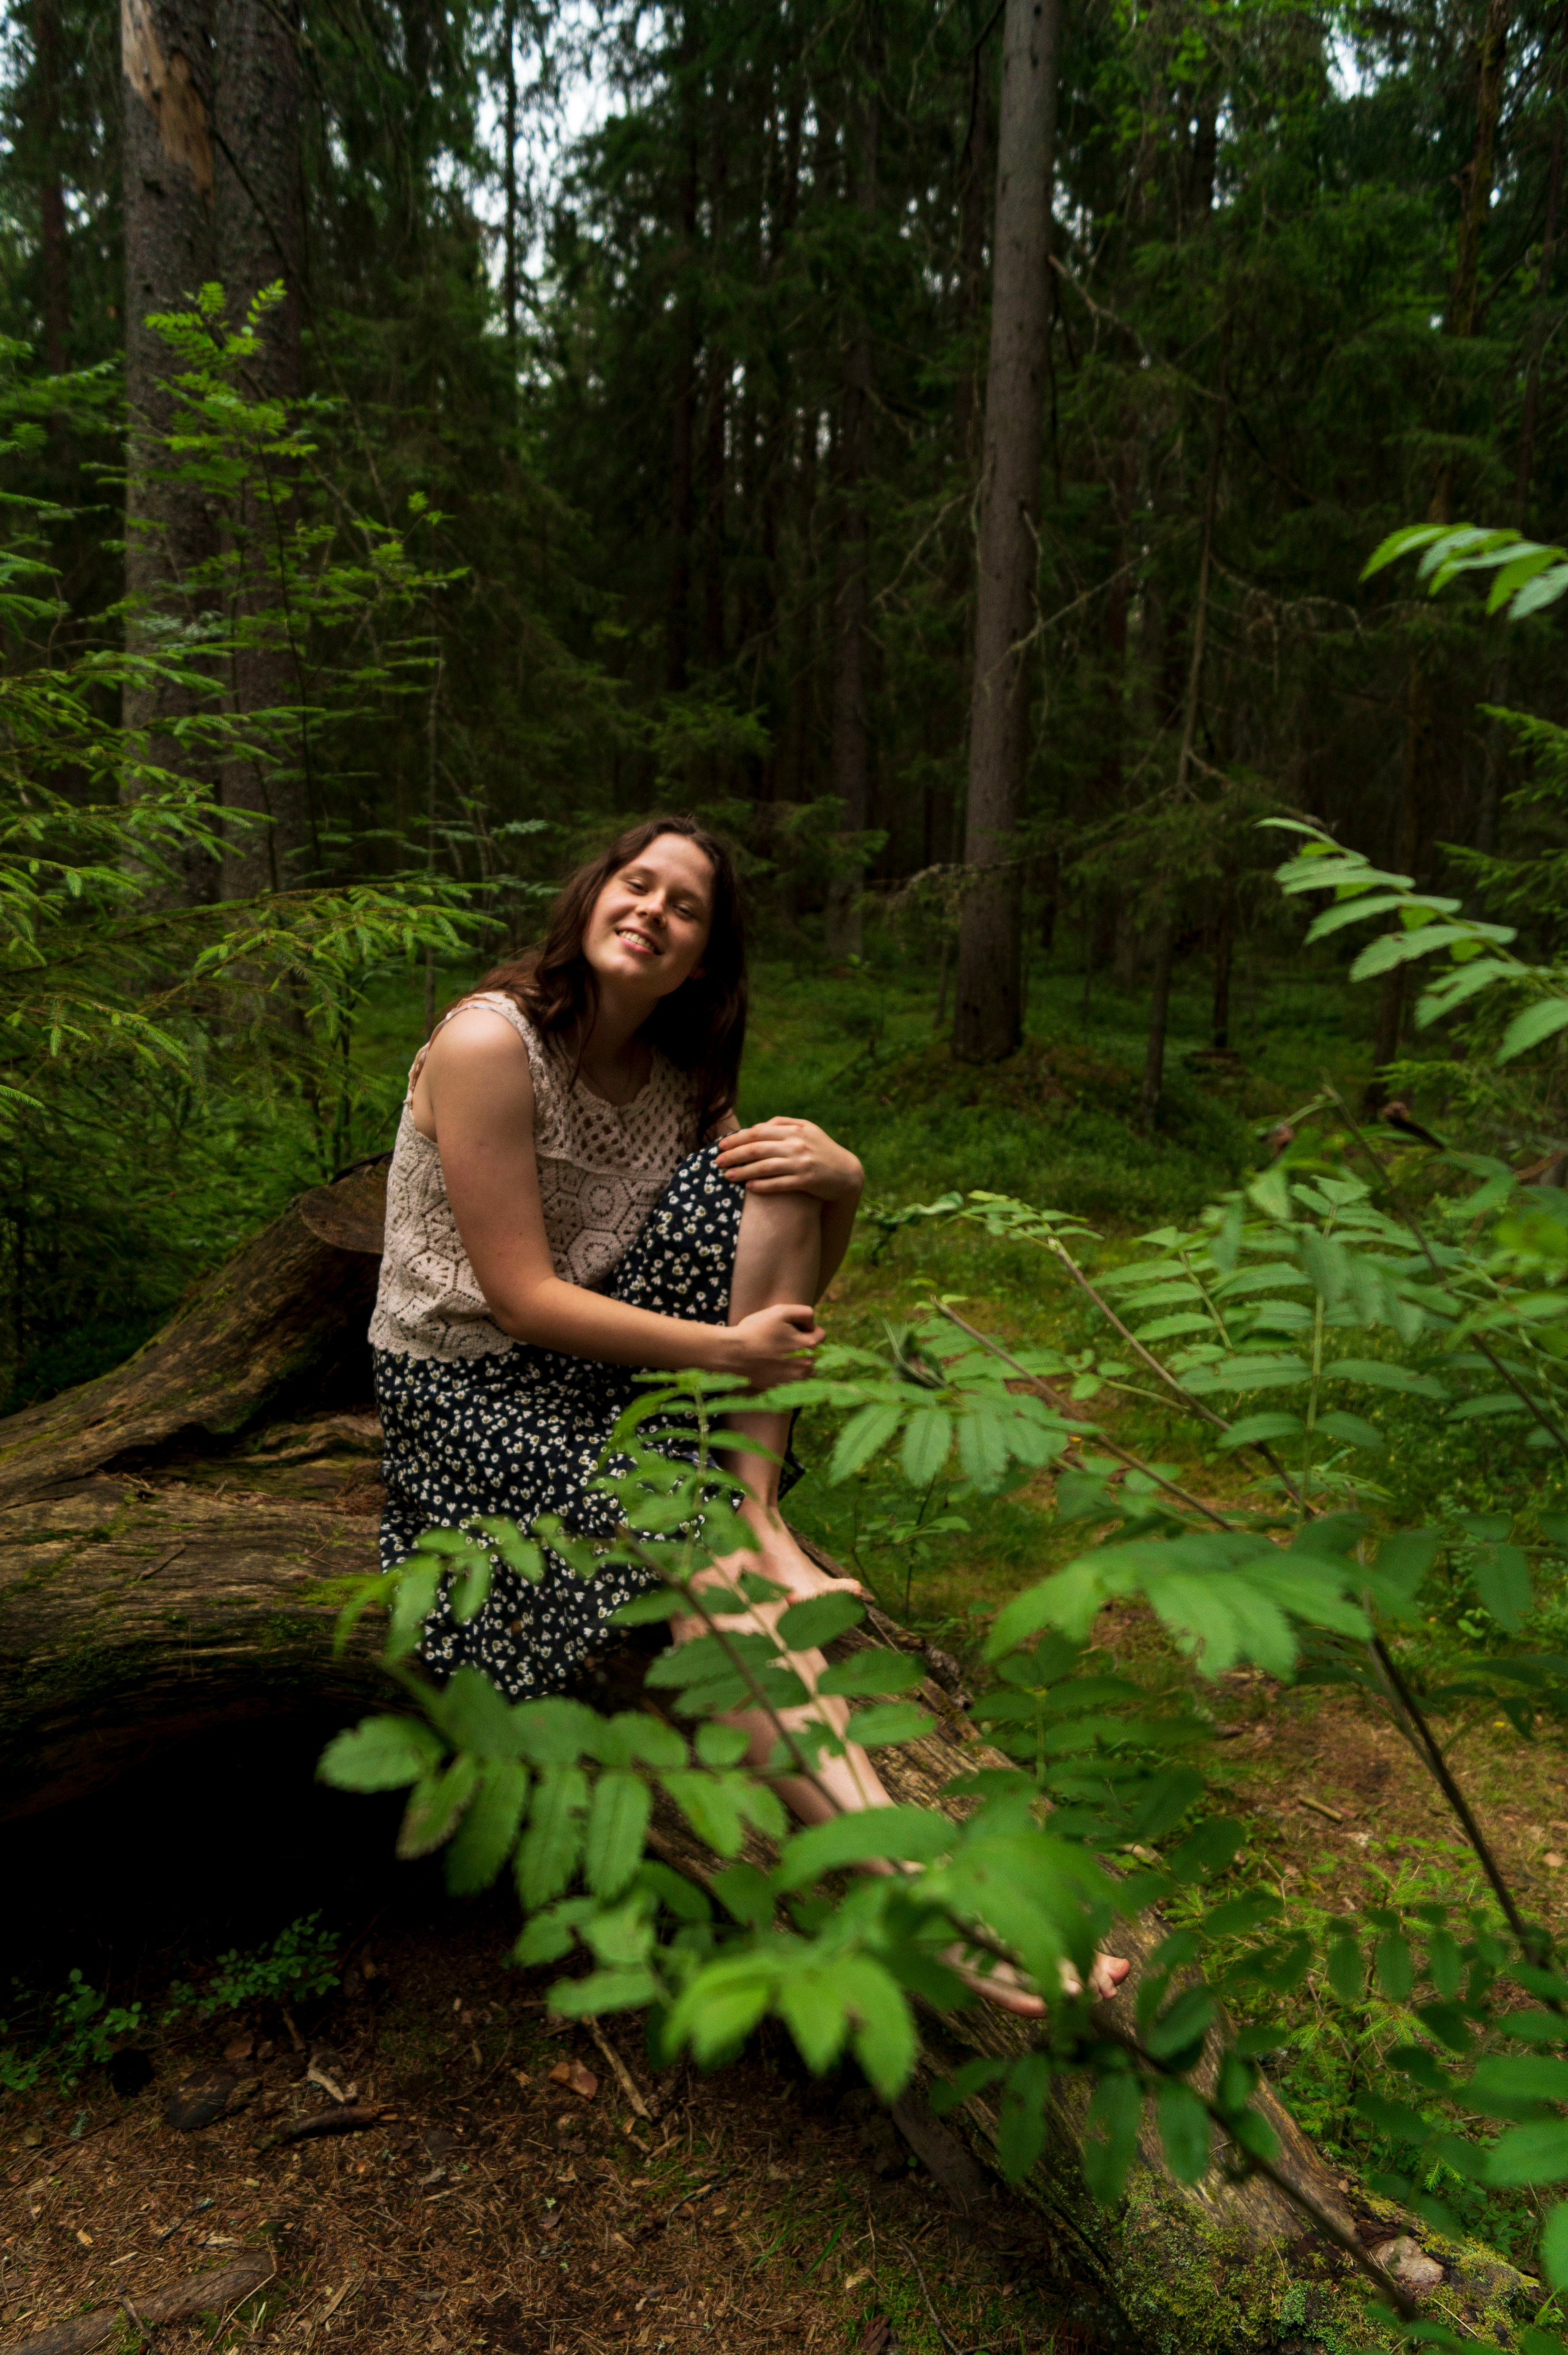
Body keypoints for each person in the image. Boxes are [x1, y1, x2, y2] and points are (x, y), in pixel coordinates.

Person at [370, 814, 1126, 2013]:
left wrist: (849, 1190)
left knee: (777, 1175)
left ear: (702, 961)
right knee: (709, 1588)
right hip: (466, 1391)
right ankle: (916, 1899)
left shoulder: (676, 1078)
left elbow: (784, 1278)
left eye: (685, 908)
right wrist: (727, 1351)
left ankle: (753, 1504)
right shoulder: (486, 1041)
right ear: (587, 900)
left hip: (600, 1371)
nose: (652, 912)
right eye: (636, 884)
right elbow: (518, 1302)